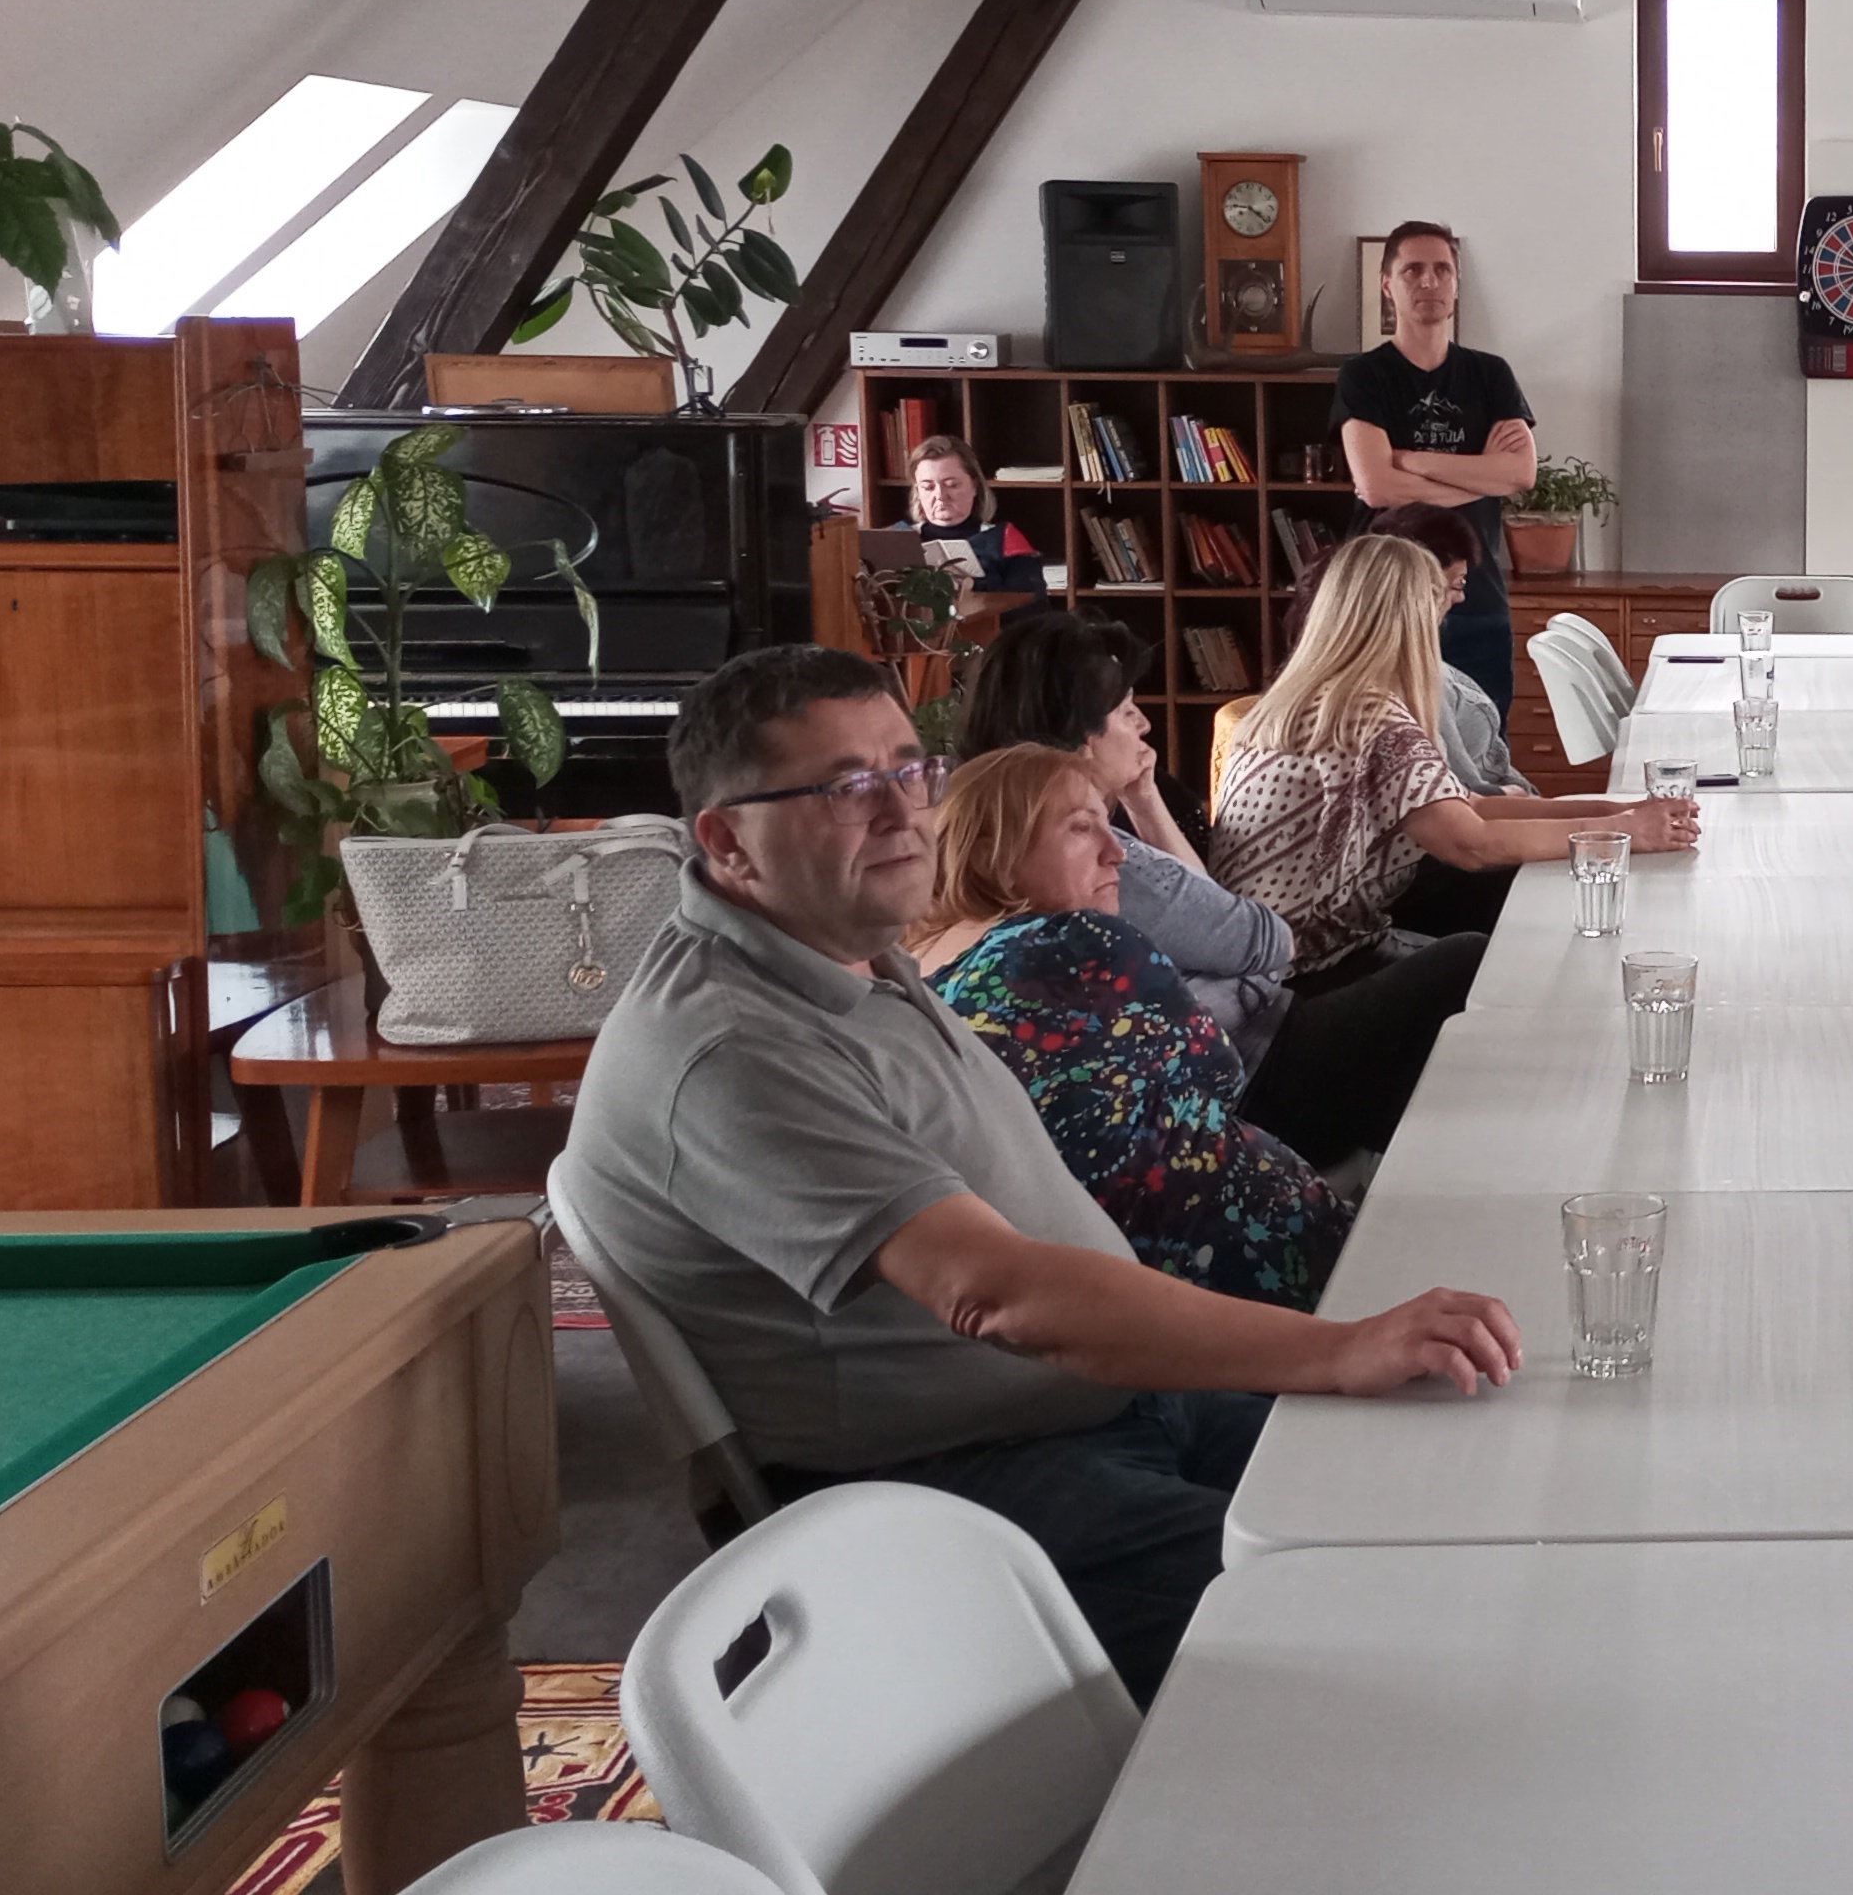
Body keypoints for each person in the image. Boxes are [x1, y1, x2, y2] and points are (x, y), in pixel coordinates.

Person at [558, 643, 1517, 1703]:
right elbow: (997, 1294)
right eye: (843, 787)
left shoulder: (842, 946)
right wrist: (1339, 1347)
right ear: (727, 840)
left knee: (1460, 1504)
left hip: (1107, 1406)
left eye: (909, 770)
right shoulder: (730, 1048)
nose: (901, 812)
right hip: (962, 1481)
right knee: (1395, 1631)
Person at [910, 745, 1351, 1311]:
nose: (1115, 852)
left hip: (1111, 1298)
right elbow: (1221, 1070)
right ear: (997, 847)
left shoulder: (918, 981)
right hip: (1253, 1271)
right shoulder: (1075, 941)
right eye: (1081, 828)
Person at [1210, 536, 1690, 984]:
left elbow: (1468, 806)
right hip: (1303, 969)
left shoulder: (1314, 698)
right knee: (1508, 958)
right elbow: (1470, 843)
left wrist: (1616, 812)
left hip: (1258, 955)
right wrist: (1623, 832)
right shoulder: (1368, 716)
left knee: (1511, 903)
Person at [960, 609, 1275, 1051]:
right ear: (1082, 739)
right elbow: (1257, 941)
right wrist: (1239, 987)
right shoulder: (1101, 857)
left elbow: (1212, 919)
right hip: (1244, 1054)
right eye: (1127, 711)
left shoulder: (973, 822)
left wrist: (1144, 798)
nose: (1144, 724)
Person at [1334, 221, 1535, 714]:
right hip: (1386, 605)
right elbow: (1377, 487)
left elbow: (1519, 475)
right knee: (1389, 747)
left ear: (1457, 284)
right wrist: (1479, 476)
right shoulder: (1363, 375)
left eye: (1442, 270)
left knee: (1485, 746)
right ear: (1388, 284)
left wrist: (1413, 460)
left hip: (1475, 599)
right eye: (1413, 270)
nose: (1429, 281)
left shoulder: (1490, 374)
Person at [1287, 504, 1532, 798]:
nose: (1458, 598)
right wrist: (1520, 798)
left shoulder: (1313, 685)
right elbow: (1462, 804)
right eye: (1456, 585)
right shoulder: (1388, 701)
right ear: (1417, 591)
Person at [901, 435, 1047, 596]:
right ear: (917, 491)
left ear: (975, 486)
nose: (940, 495)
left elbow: (1033, 604)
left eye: (952, 485)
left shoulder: (1004, 539)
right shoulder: (898, 538)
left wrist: (972, 585)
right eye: (928, 487)